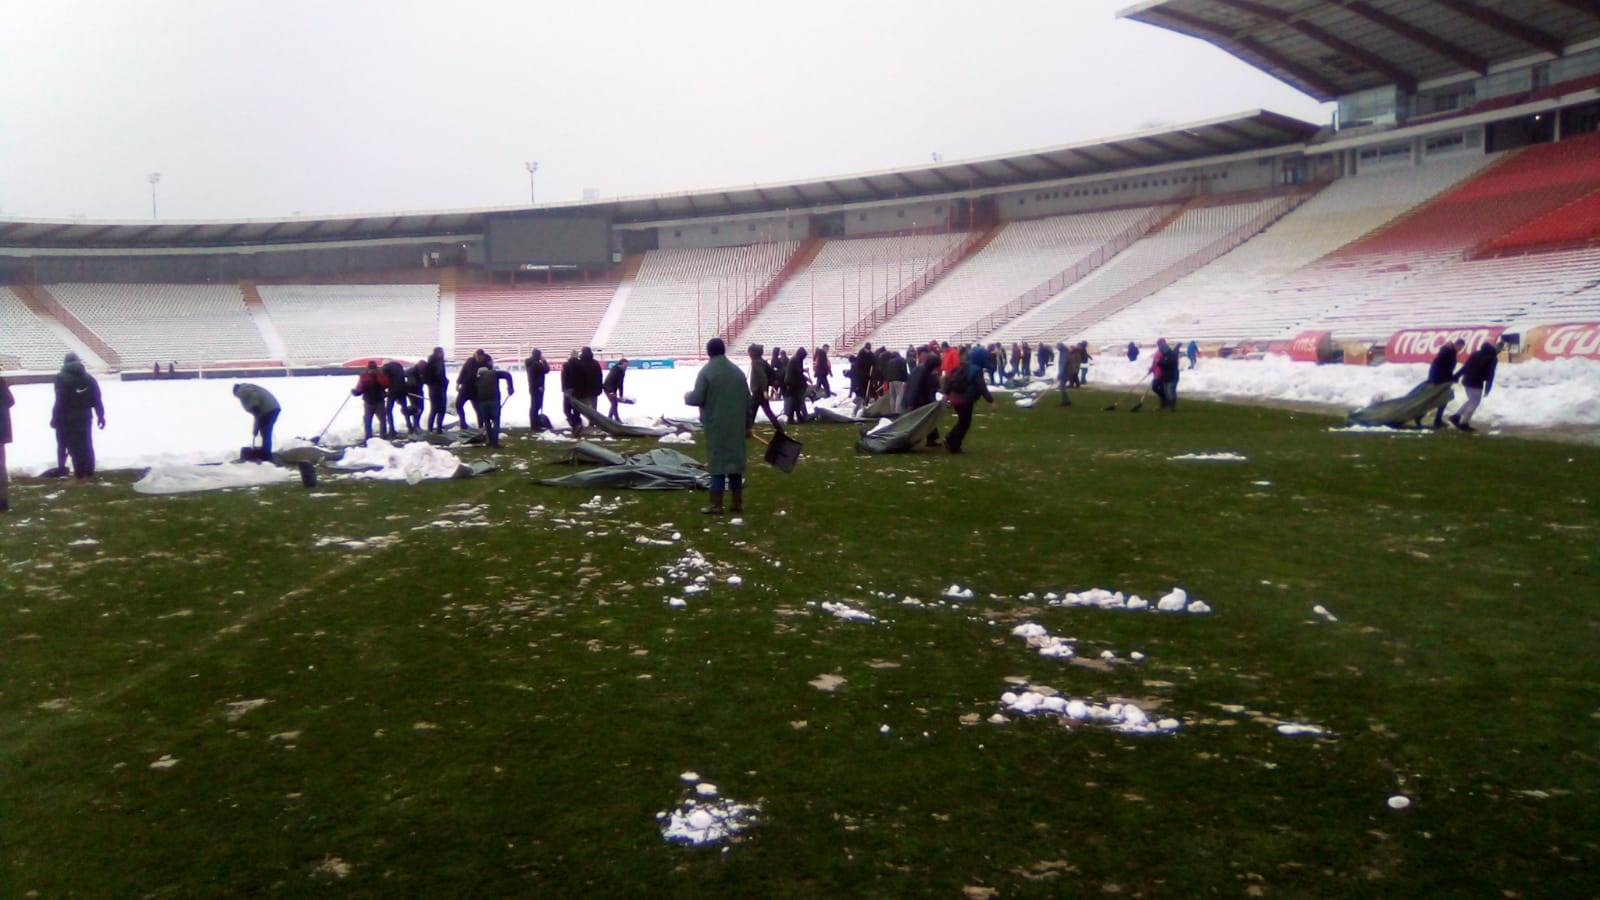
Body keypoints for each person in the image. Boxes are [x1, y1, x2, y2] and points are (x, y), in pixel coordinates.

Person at [684, 338, 751, 515]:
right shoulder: (737, 372)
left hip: (716, 425)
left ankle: (716, 504)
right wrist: (747, 426)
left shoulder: (706, 372)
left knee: (718, 465)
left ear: (708, 352)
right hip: (736, 426)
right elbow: (748, 401)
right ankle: (737, 503)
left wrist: (687, 396)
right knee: (735, 465)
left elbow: (697, 397)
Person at [51, 352, 105, 482]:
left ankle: (80, 473)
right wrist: (100, 415)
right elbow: (97, 398)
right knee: (86, 443)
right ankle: (90, 471)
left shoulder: (61, 378)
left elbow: (60, 400)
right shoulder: (89, 378)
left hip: (67, 417)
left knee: (73, 445)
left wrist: (54, 417)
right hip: (85, 416)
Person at [944, 344, 993, 454]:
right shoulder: (976, 370)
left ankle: (951, 441)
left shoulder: (963, 366)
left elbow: (949, 381)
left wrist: (947, 396)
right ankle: (952, 443)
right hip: (965, 400)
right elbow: (982, 387)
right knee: (964, 423)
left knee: (963, 422)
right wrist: (991, 401)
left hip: (956, 398)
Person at [1451, 341, 1498, 431]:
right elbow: (1491, 374)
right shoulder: (1492, 358)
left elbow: (1466, 366)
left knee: (1471, 400)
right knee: (1475, 402)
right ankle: (1464, 423)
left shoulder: (1475, 354)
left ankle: (1456, 416)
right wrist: (1488, 387)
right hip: (1476, 382)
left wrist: (1457, 376)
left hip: (1467, 380)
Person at [904, 346, 943, 447]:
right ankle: (907, 440)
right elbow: (914, 387)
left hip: (922, 400)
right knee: (917, 423)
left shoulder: (925, 371)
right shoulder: (921, 371)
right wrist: (911, 404)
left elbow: (929, 387)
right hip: (917, 401)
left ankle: (932, 439)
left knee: (928, 419)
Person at [232, 383, 281, 461]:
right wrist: (256, 428)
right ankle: (265, 453)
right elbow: (257, 416)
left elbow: (254, 396)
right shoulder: (248, 388)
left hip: (268, 409)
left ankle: (266, 455)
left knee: (265, 432)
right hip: (274, 407)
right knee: (265, 431)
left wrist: (255, 405)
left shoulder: (242, 390)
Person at [474, 359, 515, 447]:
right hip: (494, 400)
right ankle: (495, 443)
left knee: (487, 421)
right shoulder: (494, 373)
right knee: (496, 421)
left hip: (482, 402)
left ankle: (490, 441)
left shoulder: (477, 379)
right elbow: (507, 375)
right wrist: (510, 387)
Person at [1426, 339, 1464, 429]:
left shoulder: (1450, 351)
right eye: (1461, 347)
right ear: (1458, 345)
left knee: (1443, 399)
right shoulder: (1448, 352)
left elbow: (1445, 367)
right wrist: (1434, 379)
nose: (1460, 350)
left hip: (1442, 379)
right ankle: (1436, 420)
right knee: (1440, 399)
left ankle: (1438, 420)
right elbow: (1437, 365)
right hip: (1440, 380)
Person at [747, 343, 783, 430]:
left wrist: (764, 391)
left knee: (753, 411)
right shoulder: (762, 361)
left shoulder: (756, 362)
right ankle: (778, 427)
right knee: (764, 411)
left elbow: (762, 376)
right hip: (760, 391)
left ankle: (747, 429)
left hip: (758, 391)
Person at [352, 360, 387, 441]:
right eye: (371, 368)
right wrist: (356, 392)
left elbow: (386, 385)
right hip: (369, 401)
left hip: (379, 401)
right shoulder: (364, 376)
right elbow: (360, 388)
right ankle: (369, 437)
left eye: (373, 368)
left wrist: (377, 377)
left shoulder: (380, 375)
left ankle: (383, 437)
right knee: (368, 420)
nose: (372, 370)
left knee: (382, 420)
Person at [455, 349, 487, 430]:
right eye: (477, 357)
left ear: (483, 357)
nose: (478, 359)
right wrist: (458, 383)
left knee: (479, 410)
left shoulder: (485, 364)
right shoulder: (470, 361)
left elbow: (488, 376)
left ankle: (481, 426)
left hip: (476, 390)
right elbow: (463, 372)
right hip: (465, 388)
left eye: (480, 357)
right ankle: (463, 424)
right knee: (458, 405)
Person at [424, 347, 449, 433]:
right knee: (441, 409)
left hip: (432, 389)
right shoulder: (438, 362)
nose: (442, 354)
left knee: (434, 409)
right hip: (439, 388)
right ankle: (439, 428)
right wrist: (445, 382)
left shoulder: (429, 362)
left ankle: (430, 428)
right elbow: (440, 375)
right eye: (440, 352)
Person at [1150, 338, 1180, 411]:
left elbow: (1168, 363)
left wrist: (1159, 363)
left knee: (1170, 391)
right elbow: (1157, 362)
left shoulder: (1170, 355)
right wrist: (1152, 368)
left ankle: (1170, 406)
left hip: (1169, 376)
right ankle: (1166, 404)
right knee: (1165, 391)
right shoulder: (1162, 354)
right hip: (1164, 375)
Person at [524, 348, 550, 430]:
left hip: (533, 387)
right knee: (536, 406)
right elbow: (546, 370)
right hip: (538, 387)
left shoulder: (530, 363)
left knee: (534, 406)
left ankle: (534, 424)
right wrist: (544, 361)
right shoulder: (536, 364)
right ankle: (535, 425)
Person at [783, 347, 810, 424]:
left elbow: (798, 372)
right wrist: (805, 376)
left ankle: (797, 417)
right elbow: (798, 372)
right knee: (795, 401)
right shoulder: (797, 360)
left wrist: (805, 379)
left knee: (796, 401)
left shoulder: (795, 359)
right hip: (793, 382)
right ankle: (792, 418)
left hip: (791, 382)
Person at [561, 350, 583, 434]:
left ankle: (574, 425)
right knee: (576, 410)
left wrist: (564, 389)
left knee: (566, 410)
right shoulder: (581, 365)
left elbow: (564, 378)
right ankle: (577, 424)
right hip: (578, 390)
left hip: (568, 390)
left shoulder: (566, 365)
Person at [0, 373, 13, 512]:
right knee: (1, 467)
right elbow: (10, 401)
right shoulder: (1, 382)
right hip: (2, 431)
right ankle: (3, 501)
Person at [1056, 340, 1074, 406]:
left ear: (1060, 346)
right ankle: (1067, 401)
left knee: (1062, 386)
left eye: (1057, 346)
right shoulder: (1065, 351)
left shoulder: (1064, 352)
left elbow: (1063, 363)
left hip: (1065, 372)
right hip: (1066, 371)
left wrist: (1060, 373)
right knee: (1062, 386)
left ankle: (1065, 401)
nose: (1056, 347)